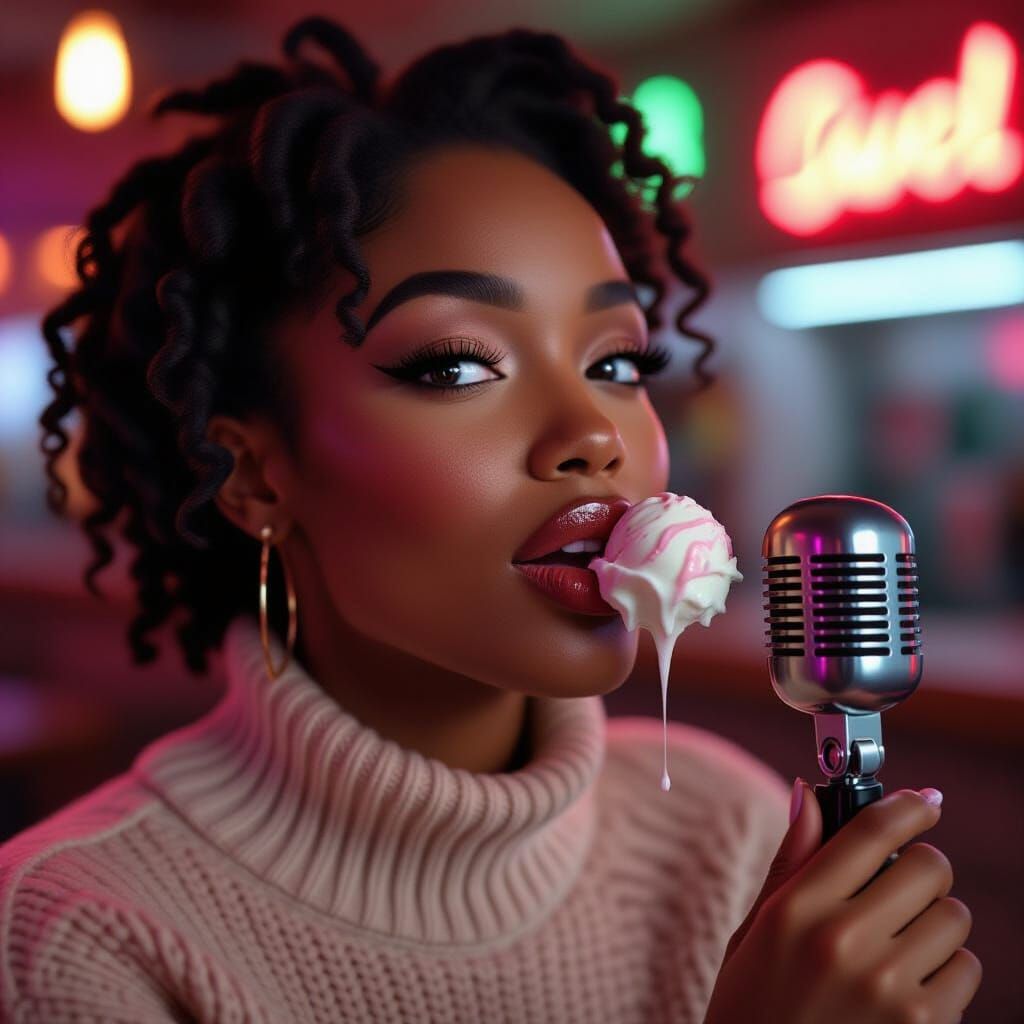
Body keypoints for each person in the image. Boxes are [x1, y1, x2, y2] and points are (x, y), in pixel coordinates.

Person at [0, 16, 980, 1023]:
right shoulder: (71, 934)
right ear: (253, 472)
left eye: (616, 362)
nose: (590, 434)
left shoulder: (736, 833)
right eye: (458, 364)